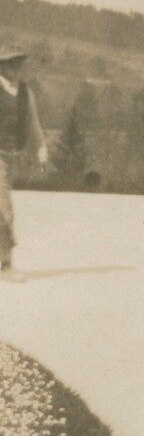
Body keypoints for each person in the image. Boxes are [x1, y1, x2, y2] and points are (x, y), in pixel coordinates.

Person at [0, 47, 49, 282]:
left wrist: (41, 150)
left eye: (18, 62)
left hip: (13, 157)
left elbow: (33, 123)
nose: (15, 67)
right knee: (4, 208)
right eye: (10, 62)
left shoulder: (25, 92)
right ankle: (5, 266)